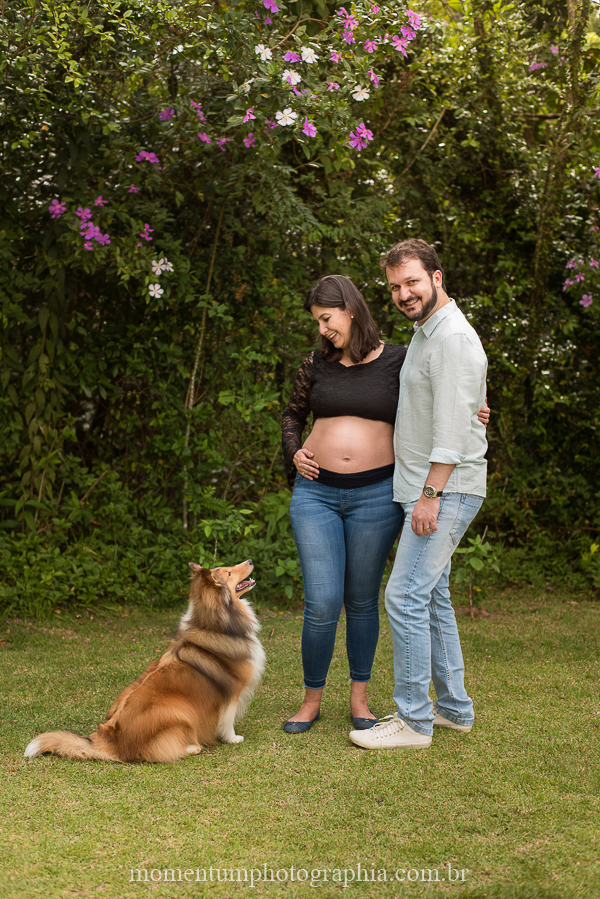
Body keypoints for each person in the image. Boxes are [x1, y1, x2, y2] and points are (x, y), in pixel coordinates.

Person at [282, 273, 489, 734]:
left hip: (376, 494)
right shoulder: (315, 363)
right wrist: (294, 451)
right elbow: (292, 415)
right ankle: (310, 700)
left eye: (326, 318)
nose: (322, 329)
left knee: (361, 600)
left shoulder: (400, 357)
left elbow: (449, 384)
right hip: (316, 494)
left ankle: (360, 698)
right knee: (321, 602)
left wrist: (480, 406)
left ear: (350, 310)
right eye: (317, 322)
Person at [349, 239, 488, 750]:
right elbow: (463, 400)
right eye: (395, 287)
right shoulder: (427, 333)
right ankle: (453, 710)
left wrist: (431, 495)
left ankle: (413, 721)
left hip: (443, 490)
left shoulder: (451, 337)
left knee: (403, 595)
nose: (404, 293)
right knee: (430, 600)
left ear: (436, 276)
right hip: (425, 488)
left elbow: (452, 428)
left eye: (412, 281)